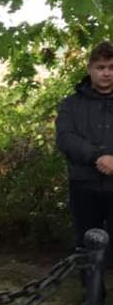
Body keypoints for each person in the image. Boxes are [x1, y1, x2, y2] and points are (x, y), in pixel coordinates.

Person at [55, 41, 113, 261]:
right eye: (101, 67)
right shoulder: (70, 104)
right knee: (87, 248)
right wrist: (98, 157)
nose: (106, 73)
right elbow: (65, 138)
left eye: (111, 67)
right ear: (90, 69)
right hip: (84, 185)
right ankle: (90, 285)